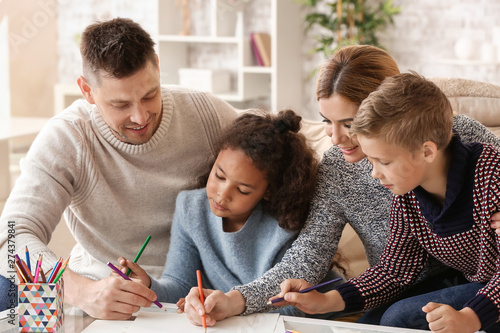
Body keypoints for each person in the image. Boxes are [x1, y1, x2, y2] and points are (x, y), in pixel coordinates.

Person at [180, 45, 500, 325]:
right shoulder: (349, 173)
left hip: (478, 278)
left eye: (349, 123)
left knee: (396, 318)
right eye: (326, 122)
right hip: (397, 285)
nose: (335, 138)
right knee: (374, 323)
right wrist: (237, 300)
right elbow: (309, 258)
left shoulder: (457, 137)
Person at [0, 18, 237, 317]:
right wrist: (81, 291)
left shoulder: (205, 113)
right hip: (99, 288)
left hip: (193, 293)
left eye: (150, 95)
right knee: (5, 287)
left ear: (158, 68)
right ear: (87, 91)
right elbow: (11, 236)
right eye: (120, 104)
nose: (140, 116)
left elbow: (275, 142)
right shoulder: (68, 136)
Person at [273, 72, 500, 333]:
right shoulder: (407, 194)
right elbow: (395, 270)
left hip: (491, 288)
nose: (375, 173)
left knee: (399, 318)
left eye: (384, 162)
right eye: (372, 161)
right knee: (368, 326)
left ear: (427, 151)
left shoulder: (491, 175)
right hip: (477, 282)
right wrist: (325, 302)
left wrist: (472, 317)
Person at [116, 109, 325, 320]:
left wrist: (227, 304)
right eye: (219, 176)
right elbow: (179, 284)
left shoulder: (284, 225)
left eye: (242, 190)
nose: (222, 195)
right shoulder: (191, 208)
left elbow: (292, 306)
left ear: (268, 191)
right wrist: (148, 284)